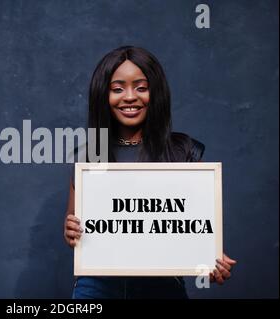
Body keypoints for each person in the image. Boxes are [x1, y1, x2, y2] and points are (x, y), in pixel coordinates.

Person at [64, 46, 237, 299]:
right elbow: (73, 221)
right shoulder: (89, 156)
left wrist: (210, 255)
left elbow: (195, 226)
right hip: (97, 286)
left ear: (155, 94)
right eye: (118, 88)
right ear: (103, 95)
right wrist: (70, 230)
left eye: (141, 88)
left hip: (162, 287)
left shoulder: (182, 150)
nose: (130, 96)